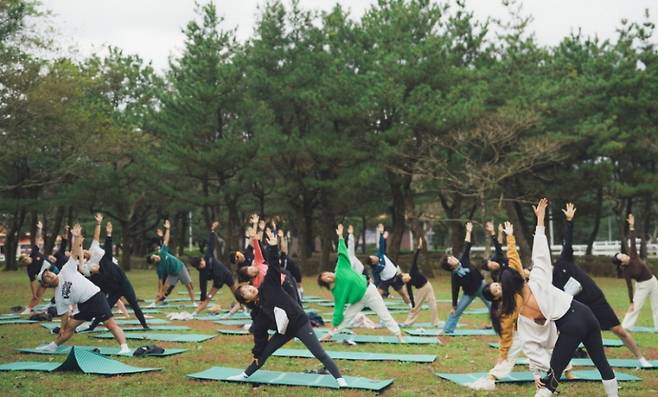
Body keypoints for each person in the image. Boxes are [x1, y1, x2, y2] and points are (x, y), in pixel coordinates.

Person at [500, 199, 617, 397]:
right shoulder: (537, 279)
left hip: (571, 324)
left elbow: (530, 344)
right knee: (602, 363)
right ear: (521, 277)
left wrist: (537, 372)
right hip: (585, 313)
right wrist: (540, 221)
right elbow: (541, 254)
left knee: (550, 381)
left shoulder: (522, 314)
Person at [228, 227, 347, 387]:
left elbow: (274, 266)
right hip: (284, 331)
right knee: (263, 354)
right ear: (246, 300)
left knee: (318, 352)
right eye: (246, 292)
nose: (251, 289)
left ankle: (340, 379)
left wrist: (273, 247)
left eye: (249, 287)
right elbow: (260, 334)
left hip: (300, 323)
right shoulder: (257, 313)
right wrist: (257, 352)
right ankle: (244, 375)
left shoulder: (268, 285)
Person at [471, 221, 571, 391]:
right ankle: (493, 375)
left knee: (557, 345)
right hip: (522, 330)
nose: (499, 287)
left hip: (539, 320)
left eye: (497, 285)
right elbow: (505, 335)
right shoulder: (504, 309)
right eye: (496, 290)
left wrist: (510, 236)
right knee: (513, 353)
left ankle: (568, 372)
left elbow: (513, 259)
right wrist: (503, 354)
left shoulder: (514, 284)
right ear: (496, 298)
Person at [554, 205, 650, 367]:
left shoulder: (563, 262)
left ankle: (641, 359)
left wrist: (569, 221)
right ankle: (560, 362)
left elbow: (568, 241)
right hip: (578, 307)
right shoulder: (550, 285)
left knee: (618, 330)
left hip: (595, 299)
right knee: (563, 332)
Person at [35, 224, 131, 354]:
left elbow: (75, 253)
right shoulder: (58, 296)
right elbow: (64, 315)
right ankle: (52, 346)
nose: (49, 275)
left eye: (48, 273)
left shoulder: (65, 270)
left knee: (109, 324)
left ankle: (124, 347)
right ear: (46, 284)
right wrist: (62, 328)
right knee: (69, 327)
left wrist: (76, 237)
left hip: (95, 298)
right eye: (46, 277)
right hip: (84, 305)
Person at [318, 224, 404, 342]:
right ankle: (330, 334)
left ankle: (399, 335)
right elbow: (338, 309)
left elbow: (342, 252)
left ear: (328, 271)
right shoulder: (337, 291)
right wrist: (334, 323)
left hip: (370, 291)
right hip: (358, 300)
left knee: (384, 314)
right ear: (327, 283)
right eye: (325, 279)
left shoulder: (340, 268)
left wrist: (341, 236)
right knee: (346, 318)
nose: (328, 277)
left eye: (326, 274)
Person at [82, 214, 149, 331]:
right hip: (114, 290)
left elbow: (107, 246)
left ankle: (145, 326)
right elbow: (95, 287)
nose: (85, 252)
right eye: (82, 253)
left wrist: (108, 233)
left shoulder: (103, 257)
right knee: (105, 308)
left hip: (124, 284)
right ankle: (92, 327)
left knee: (134, 305)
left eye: (85, 250)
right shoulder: (93, 274)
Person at [440, 221, 491, 334]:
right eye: (450, 260)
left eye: (452, 257)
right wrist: (454, 305)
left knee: (493, 306)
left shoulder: (463, 259)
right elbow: (455, 290)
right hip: (469, 293)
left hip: (482, 287)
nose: (453, 258)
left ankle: (501, 327)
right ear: (450, 266)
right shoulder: (455, 275)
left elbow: (467, 245)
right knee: (456, 311)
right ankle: (448, 330)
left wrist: (468, 231)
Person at [612, 213, 658, 332]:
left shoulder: (633, 255)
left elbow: (632, 241)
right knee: (635, 307)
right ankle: (625, 327)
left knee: (657, 306)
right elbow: (629, 288)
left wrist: (632, 226)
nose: (624, 255)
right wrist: (631, 302)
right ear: (621, 263)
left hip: (653, 281)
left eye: (622, 254)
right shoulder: (626, 271)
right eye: (621, 257)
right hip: (642, 286)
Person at [190, 221, 236, 315]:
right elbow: (203, 287)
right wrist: (202, 299)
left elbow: (211, 244)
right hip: (217, 283)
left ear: (202, 259)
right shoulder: (202, 273)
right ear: (197, 267)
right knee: (208, 298)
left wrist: (212, 230)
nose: (202, 264)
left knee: (237, 294)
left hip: (226, 275)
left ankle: (244, 310)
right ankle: (194, 313)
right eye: (200, 265)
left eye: (201, 262)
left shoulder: (208, 256)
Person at [146, 220, 195, 306]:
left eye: (154, 255)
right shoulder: (159, 268)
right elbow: (160, 281)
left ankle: (194, 303)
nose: (156, 256)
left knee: (189, 286)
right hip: (172, 274)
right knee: (164, 289)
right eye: (154, 258)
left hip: (180, 267)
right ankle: (154, 303)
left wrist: (168, 229)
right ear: (154, 262)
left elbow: (166, 240)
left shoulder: (162, 252)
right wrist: (160, 291)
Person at [363, 224, 411, 304]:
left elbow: (381, 243)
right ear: (372, 262)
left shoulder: (380, 254)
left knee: (403, 294)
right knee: (377, 294)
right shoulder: (375, 269)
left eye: (374, 256)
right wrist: (376, 287)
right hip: (385, 281)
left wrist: (381, 233)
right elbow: (377, 280)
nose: (375, 256)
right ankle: (370, 305)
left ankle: (411, 306)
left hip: (395, 276)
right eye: (373, 258)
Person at [400, 238, 439, 327]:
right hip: (420, 290)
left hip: (428, 286)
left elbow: (415, 259)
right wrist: (413, 304)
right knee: (416, 308)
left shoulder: (412, 270)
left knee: (433, 303)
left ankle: (435, 322)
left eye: (405, 278)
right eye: (405, 281)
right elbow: (410, 294)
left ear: (405, 274)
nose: (406, 280)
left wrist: (418, 248)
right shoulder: (408, 283)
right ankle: (408, 322)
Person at [278, 229, 303, 300]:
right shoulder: (273, 258)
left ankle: (299, 293)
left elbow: (284, 248)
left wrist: (282, 238)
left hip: (288, 277)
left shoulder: (284, 257)